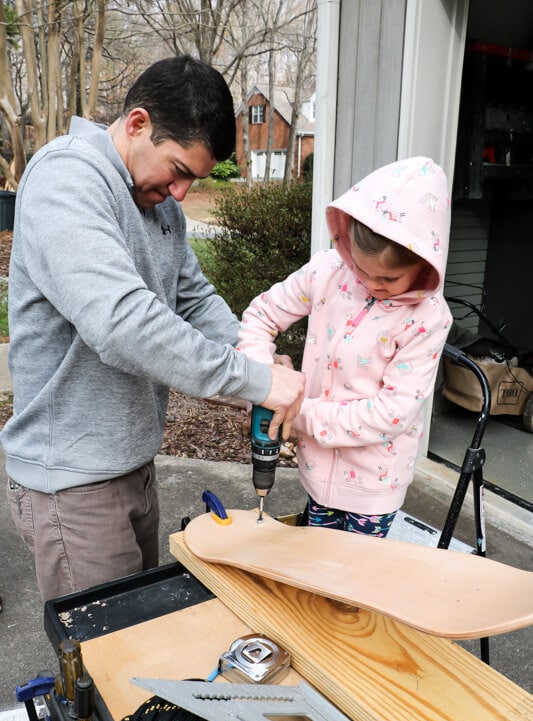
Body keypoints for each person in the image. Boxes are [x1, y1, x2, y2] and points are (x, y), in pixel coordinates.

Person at [1, 56, 304, 601]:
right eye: (179, 170)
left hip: (133, 464)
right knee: (103, 665)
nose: (183, 193)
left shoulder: (159, 204)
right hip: (73, 483)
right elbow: (120, 322)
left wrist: (254, 354)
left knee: (140, 637)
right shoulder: (67, 179)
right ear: (137, 124)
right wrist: (254, 383)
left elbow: (193, 298)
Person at [237, 156, 452, 537]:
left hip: (374, 486)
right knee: (317, 565)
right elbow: (261, 316)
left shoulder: (428, 318)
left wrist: (298, 412)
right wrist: (265, 379)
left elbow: (392, 413)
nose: (370, 283)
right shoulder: (328, 272)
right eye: (361, 268)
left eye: (388, 278)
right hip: (316, 472)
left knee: (352, 579)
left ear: (424, 265)